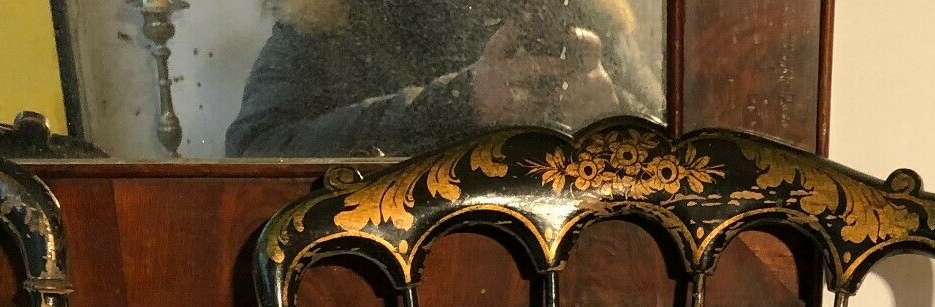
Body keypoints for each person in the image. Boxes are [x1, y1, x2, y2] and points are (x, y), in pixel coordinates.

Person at [226, 0, 663, 158]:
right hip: (390, 290)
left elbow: (688, 152)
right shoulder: (328, 13)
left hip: (581, 290)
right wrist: (457, 102)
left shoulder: (589, 11)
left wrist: (611, 111)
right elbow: (256, 151)